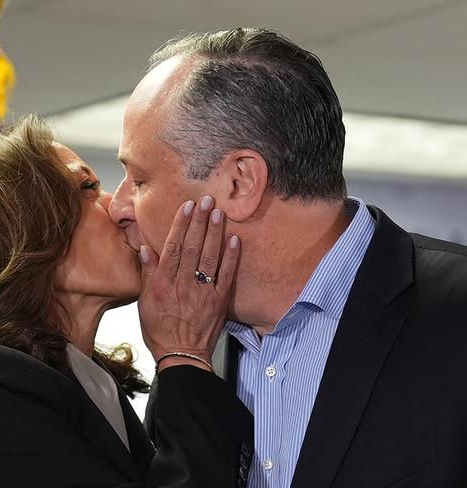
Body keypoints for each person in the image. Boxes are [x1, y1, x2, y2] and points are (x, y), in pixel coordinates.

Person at [108, 27, 467, 487]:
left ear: (240, 182)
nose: (119, 207)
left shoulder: (455, 315)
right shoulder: (191, 356)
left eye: (138, 180)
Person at [0, 114, 253, 488]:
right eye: (87, 188)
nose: (116, 208)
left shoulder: (87, 379)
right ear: (17, 235)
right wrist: (183, 354)